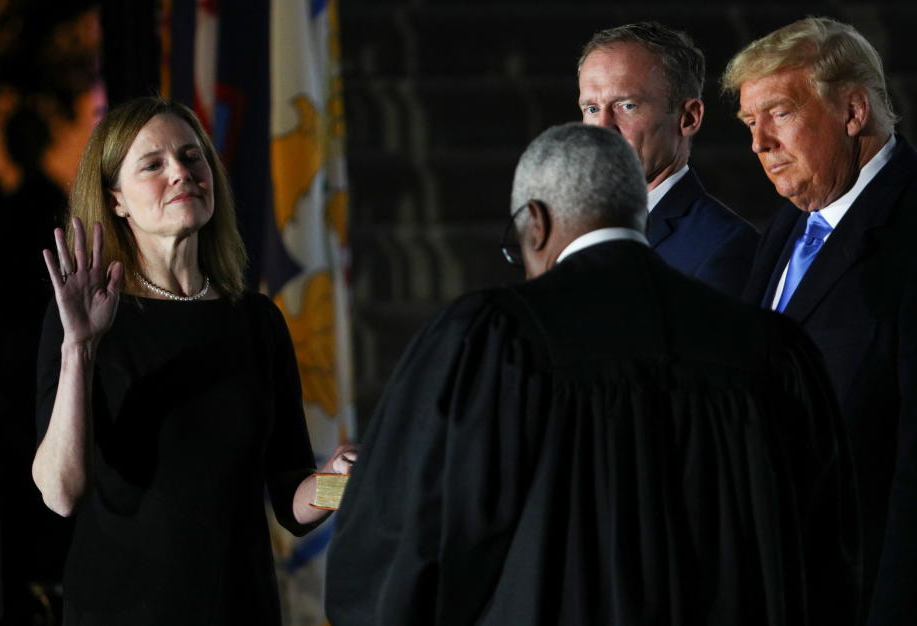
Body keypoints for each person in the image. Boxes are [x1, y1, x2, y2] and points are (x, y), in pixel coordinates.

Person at [325, 123, 858, 625]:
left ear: (535, 222)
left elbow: (409, 547)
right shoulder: (770, 347)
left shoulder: (494, 340)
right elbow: (827, 557)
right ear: (636, 211)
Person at [31, 96, 356, 624]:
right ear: (116, 200)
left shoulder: (256, 320)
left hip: (239, 608)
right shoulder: (85, 317)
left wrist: (342, 482)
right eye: (154, 165)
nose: (181, 173)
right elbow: (60, 494)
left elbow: (290, 498)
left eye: (191, 156)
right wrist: (79, 348)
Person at [722, 17, 917, 625]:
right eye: (749, 124)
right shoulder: (789, 222)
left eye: (777, 113)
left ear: (854, 111)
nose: (758, 144)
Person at [577, 21, 757, 298]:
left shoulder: (725, 248)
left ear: (689, 118)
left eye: (627, 106)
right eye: (591, 108)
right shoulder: (575, 232)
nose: (603, 127)